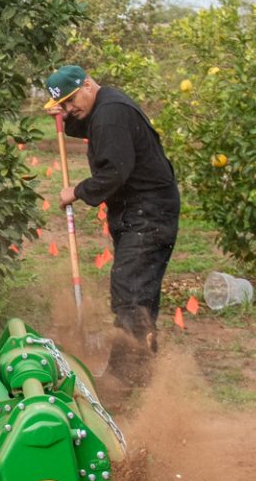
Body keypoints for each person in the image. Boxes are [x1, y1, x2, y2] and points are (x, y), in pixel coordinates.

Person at [44, 64, 181, 389]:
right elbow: (95, 129)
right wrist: (64, 120)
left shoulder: (111, 114)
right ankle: (142, 375)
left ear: (88, 84)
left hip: (148, 213)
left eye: (71, 101)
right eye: (63, 105)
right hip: (143, 210)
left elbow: (114, 172)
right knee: (139, 294)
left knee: (130, 294)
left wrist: (76, 192)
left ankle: (126, 378)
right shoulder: (106, 109)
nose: (70, 109)